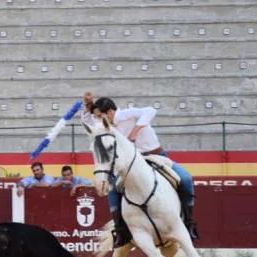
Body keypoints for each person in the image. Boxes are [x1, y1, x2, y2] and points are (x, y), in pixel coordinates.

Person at [83, 92, 199, 247]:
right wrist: (88, 105)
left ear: (110, 112)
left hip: (156, 156)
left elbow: (151, 110)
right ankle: (120, 231)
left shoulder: (126, 114)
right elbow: (87, 122)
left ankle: (189, 223)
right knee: (112, 189)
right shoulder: (107, 126)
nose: (99, 119)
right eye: (97, 117)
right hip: (132, 165)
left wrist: (135, 131)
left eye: (101, 115)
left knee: (185, 178)